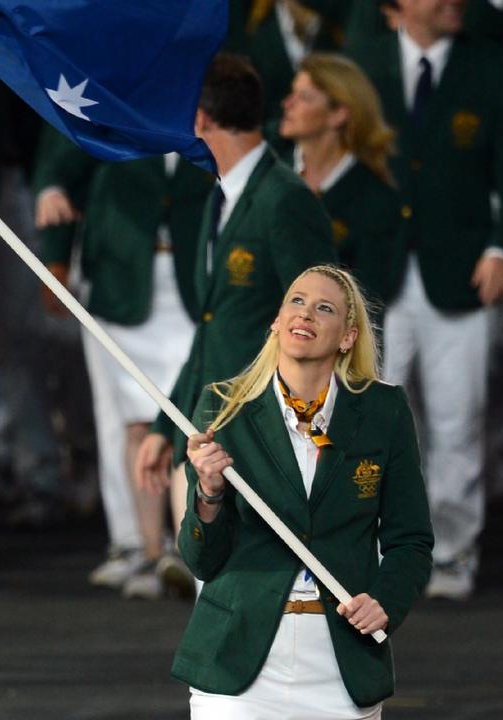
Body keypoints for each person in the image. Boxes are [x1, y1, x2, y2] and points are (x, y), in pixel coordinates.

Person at [174, 265, 432, 718]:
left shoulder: (384, 411)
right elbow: (202, 561)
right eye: (296, 301)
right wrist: (208, 494)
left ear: (348, 337)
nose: (306, 314)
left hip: (341, 664)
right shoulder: (223, 406)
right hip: (238, 661)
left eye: (324, 308)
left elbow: (410, 539)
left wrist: (385, 602)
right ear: (276, 321)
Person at [348, 0, 503, 600]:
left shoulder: (492, 69)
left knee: (459, 419)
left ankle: (454, 553)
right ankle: (371, 550)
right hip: (373, 274)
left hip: (460, 274)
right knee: (371, 421)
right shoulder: (361, 65)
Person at [134, 54, 336, 597]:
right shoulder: (220, 199)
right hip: (214, 431)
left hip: (274, 439)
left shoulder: (286, 202)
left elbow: (326, 322)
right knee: (219, 598)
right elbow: (212, 328)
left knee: (272, 601)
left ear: (199, 119)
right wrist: (164, 424)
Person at [31, 126, 211, 596]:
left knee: (193, 425)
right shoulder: (116, 96)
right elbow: (57, 171)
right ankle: (152, 554)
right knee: (137, 424)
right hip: (122, 283)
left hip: (198, 287)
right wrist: (55, 256)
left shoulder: (205, 98)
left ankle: (190, 550)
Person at [276, 52, 400, 313]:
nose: (287, 103)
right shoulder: (269, 176)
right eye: (292, 93)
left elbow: (369, 297)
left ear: (338, 115)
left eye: (305, 97)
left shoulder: (375, 195)